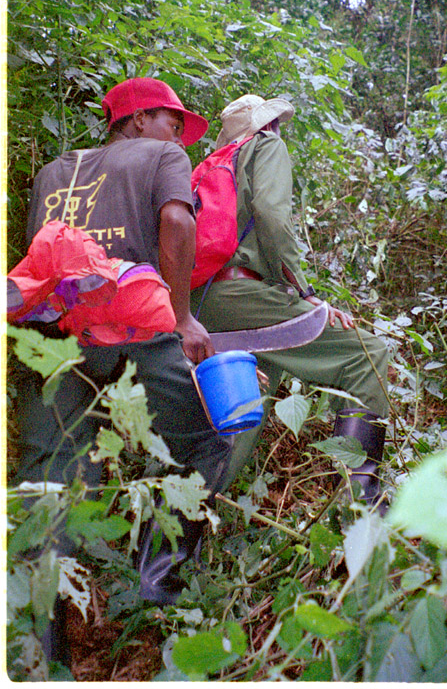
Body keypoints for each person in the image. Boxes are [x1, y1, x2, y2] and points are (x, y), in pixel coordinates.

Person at [12, 78, 233, 663]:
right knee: (205, 443)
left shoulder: (53, 170)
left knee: (47, 478)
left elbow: (44, 254)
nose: (178, 135)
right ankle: (155, 595)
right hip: (139, 322)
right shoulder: (162, 156)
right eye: (171, 121)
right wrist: (183, 317)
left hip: (58, 334)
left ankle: (37, 643)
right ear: (138, 120)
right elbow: (179, 225)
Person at [190, 93, 390, 508]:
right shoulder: (266, 146)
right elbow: (271, 213)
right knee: (366, 355)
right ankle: (361, 505)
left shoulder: (212, 167)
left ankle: (168, 541)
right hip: (243, 294)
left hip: (202, 301)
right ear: (265, 126)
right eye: (275, 121)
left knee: (239, 415)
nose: (280, 127)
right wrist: (306, 292)